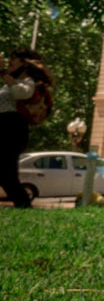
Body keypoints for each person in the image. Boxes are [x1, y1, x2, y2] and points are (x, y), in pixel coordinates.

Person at [0, 48, 53, 209]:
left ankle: (23, 204)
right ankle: (22, 204)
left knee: (7, 173)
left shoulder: (28, 82)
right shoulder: (9, 82)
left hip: (11, 127)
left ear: (24, 63)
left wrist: (2, 72)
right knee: (5, 173)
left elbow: (21, 94)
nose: (10, 61)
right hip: (3, 125)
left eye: (14, 59)